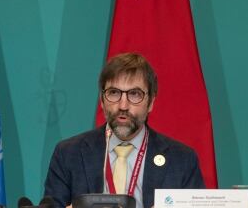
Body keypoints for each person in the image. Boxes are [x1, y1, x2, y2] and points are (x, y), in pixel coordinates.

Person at [44, 53, 204, 208]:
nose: (123, 105)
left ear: (151, 102)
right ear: (102, 100)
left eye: (135, 94)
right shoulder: (68, 154)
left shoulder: (182, 160)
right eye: (114, 93)